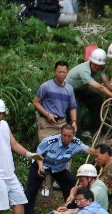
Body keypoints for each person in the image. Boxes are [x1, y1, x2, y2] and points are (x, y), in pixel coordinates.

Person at [23, 124, 94, 214]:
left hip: (59, 169)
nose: (66, 138)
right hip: (42, 165)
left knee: (71, 184)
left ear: (73, 135)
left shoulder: (76, 143)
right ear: (60, 134)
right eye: (64, 135)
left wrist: (101, 153)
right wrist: (40, 166)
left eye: (69, 136)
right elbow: (38, 155)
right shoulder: (49, 141)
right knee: (31, 191)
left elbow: (88, 150)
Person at [33, 60, 78, 197]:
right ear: (54, 72)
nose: (61, 74)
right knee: (47, 153)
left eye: (64, 72)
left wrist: (74, 121)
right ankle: (45, 184)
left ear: (67, 72)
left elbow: (73, 107)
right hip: (47, 124)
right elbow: (35, 102)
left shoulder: (69, 89)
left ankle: (61, 182)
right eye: (59, 71)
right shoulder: (46, 86)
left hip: (62, 124)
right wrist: (47, 114)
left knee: (65, 151)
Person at [66, 48, 112, 128]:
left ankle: (97, 127)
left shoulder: (99, 70)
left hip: (81, 89)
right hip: (68, 92)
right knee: (76, 113)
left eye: (99, 65)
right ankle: (76, 137)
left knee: (97, 99)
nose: (97, 67)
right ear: (91, 61)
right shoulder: (84, 70)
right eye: (95, 64)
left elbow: (106, 84)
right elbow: (100, 87)